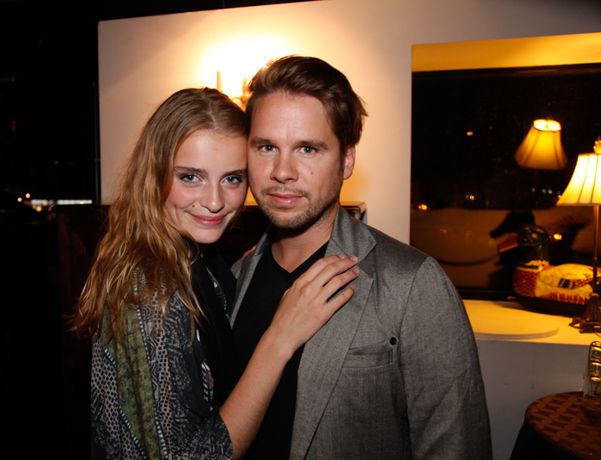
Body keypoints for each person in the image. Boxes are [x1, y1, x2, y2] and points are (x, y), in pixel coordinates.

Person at [71, 87, 360, 459]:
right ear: (153, 174)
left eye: (232, 179)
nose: (214, 202)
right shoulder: (148, 287)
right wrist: (279, 340)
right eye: (190, 177)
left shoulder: (200, 262)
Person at [231, 56, 492, 459]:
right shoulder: (233, 277)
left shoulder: (412, 283)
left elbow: (456, 446)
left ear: (347, 160)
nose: (282, 171)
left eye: (307, 149)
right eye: (267, 147)